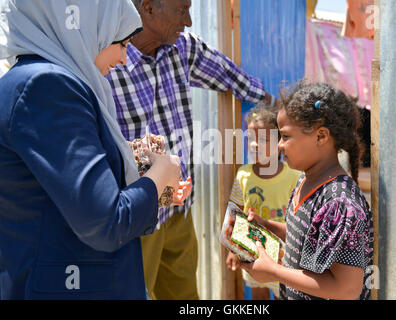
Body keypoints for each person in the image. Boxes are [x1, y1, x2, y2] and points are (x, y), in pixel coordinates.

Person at [0, 0, 187, 299]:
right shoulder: (47, 86)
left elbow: (57, 191)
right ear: (85, 31)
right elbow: (105, 223)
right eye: (122, 43)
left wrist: (137, 168)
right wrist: (161, 173)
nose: (125, 59)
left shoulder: (36, 82)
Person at [107, 0, 275, 300]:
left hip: (178, 210)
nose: (189, 21)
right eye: (182, 9)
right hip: (135, 218)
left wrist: (273, 103)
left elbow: (228, 74)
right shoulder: (107, 61)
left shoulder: (182, 48)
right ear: (148, 8)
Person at [240, 81, 374, 300]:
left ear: (321, 136)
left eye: (285, 136)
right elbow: (309, 235)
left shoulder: (340, 203)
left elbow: (347, 289)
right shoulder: (306, 178)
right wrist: (268, 226)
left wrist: (274, 272)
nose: (279, 145)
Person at [226, 105, 301, 300]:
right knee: (258, 294)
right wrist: (232, 249)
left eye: (262, 140)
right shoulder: (243, 174)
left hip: (283, 256)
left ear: (279, 143)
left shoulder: (294, 176)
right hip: (251, 251)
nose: (254, 145)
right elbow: (235, 212)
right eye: (250, 138)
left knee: (282, 294)